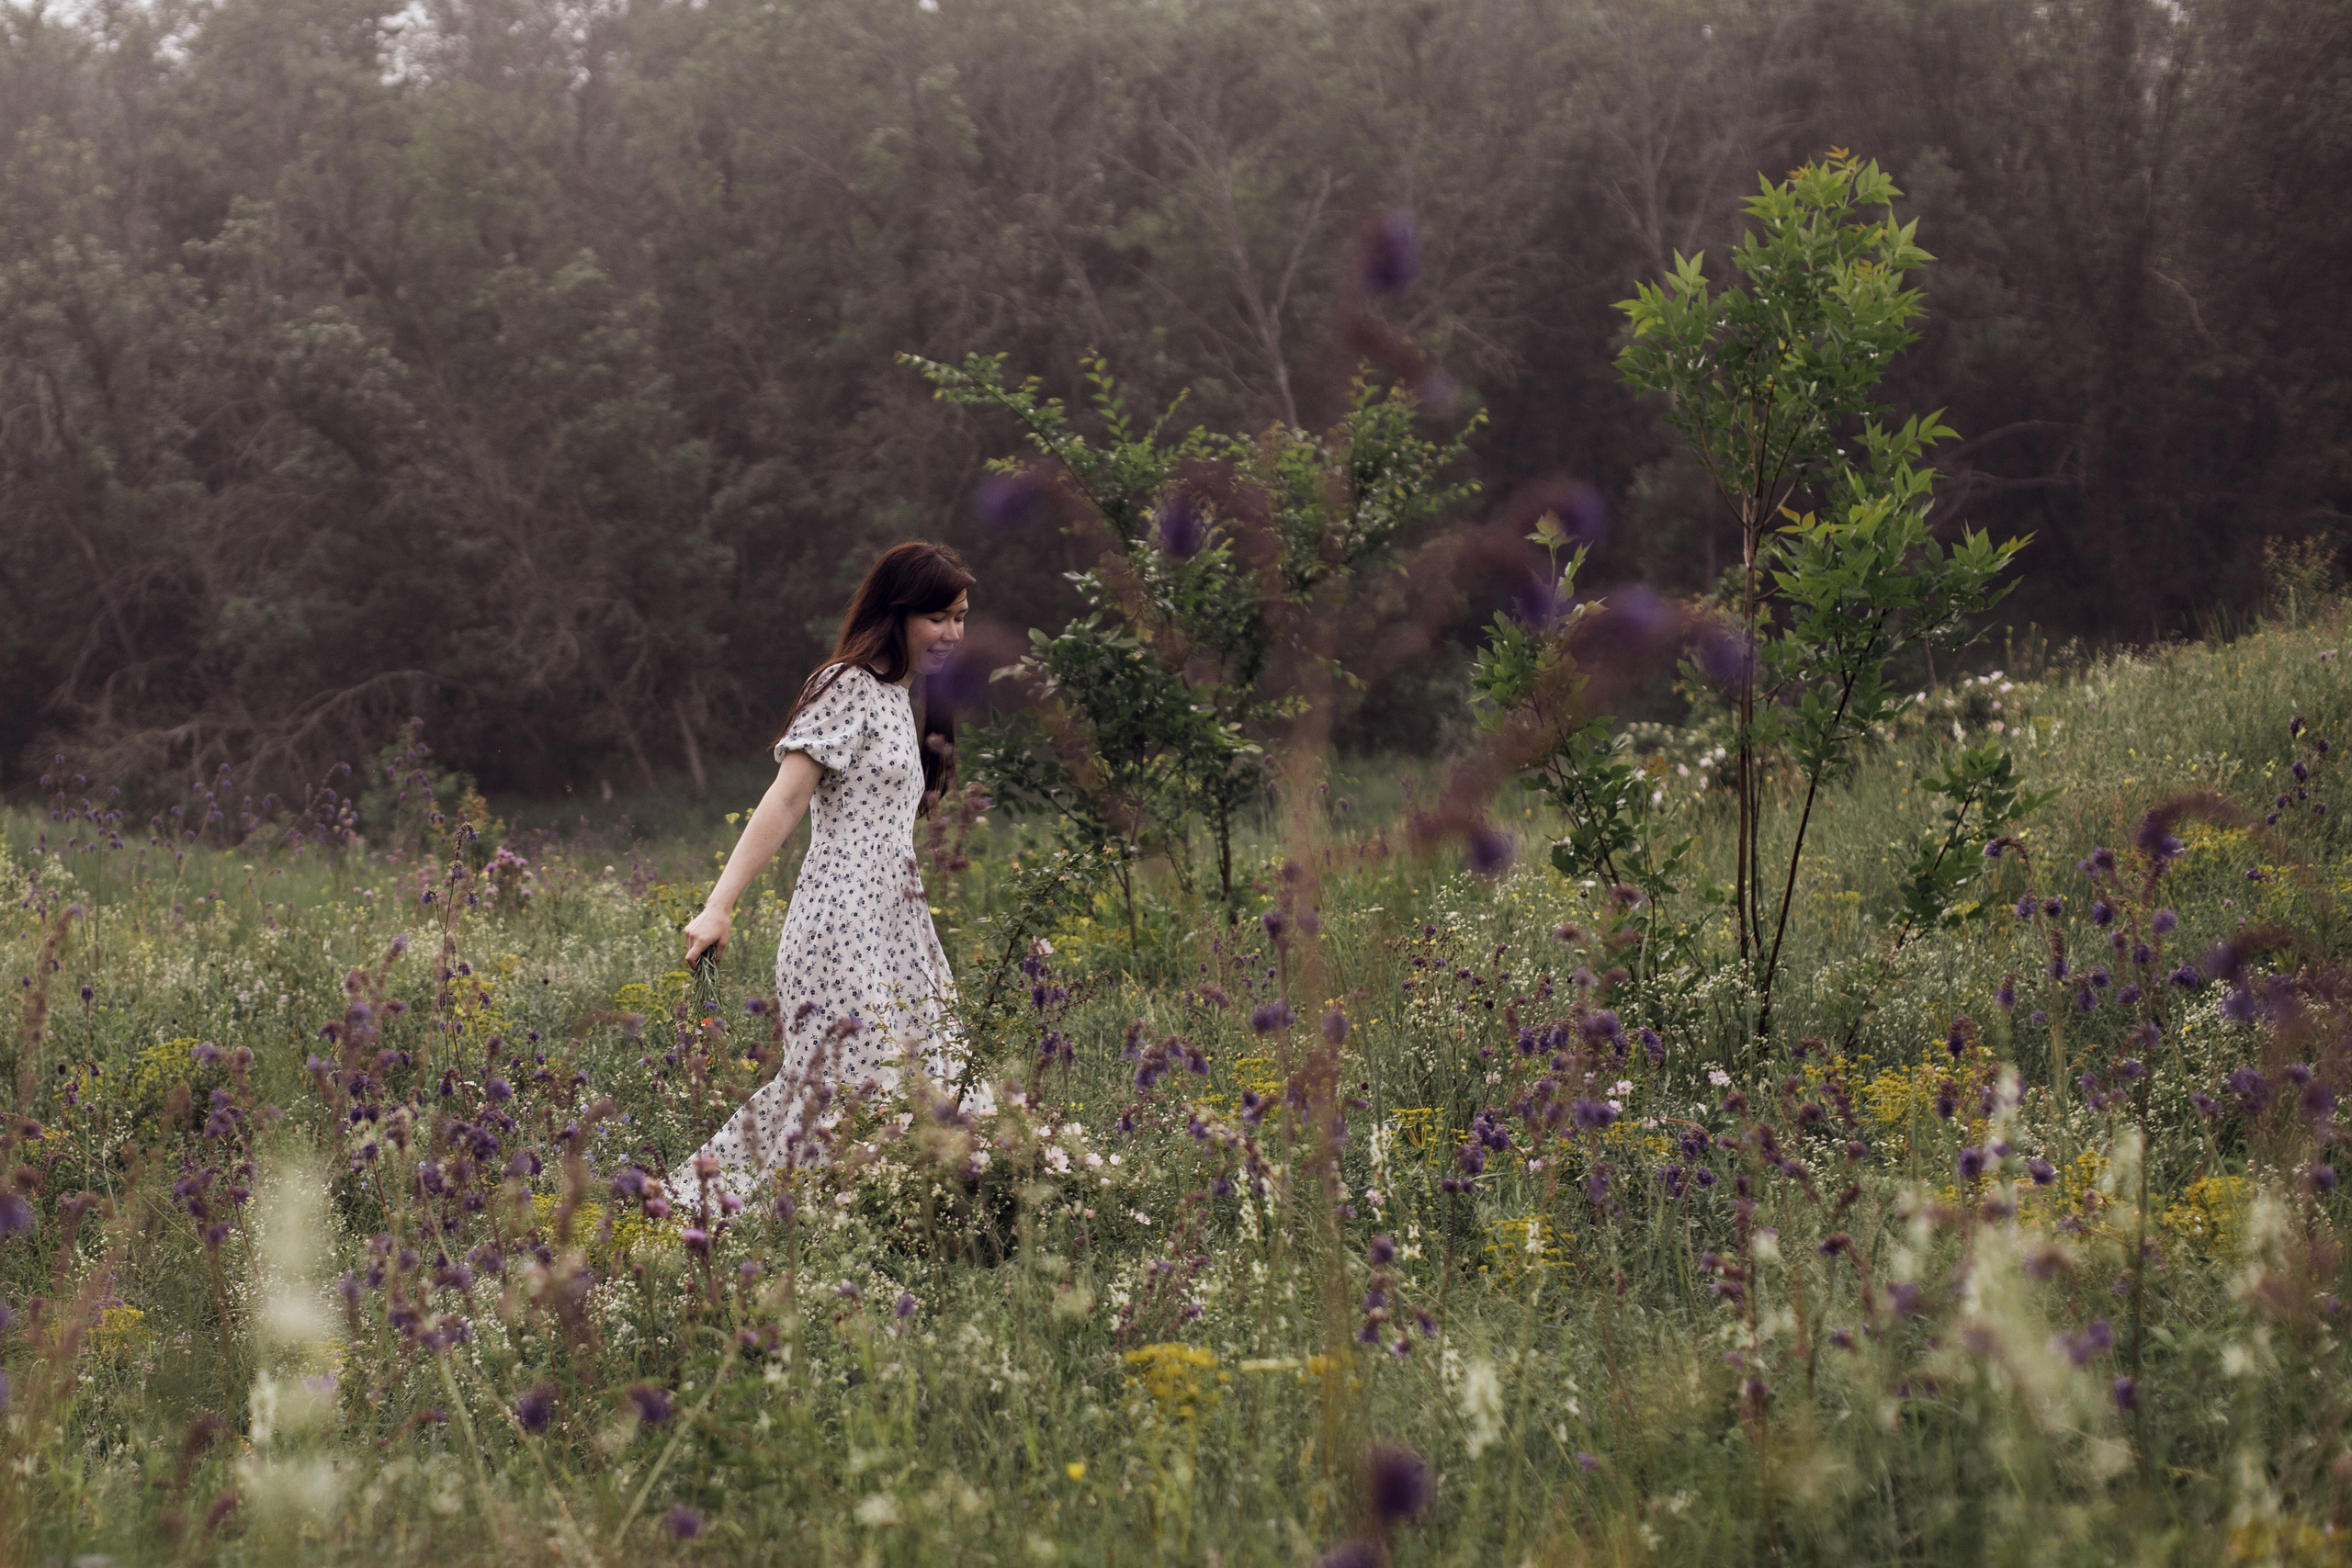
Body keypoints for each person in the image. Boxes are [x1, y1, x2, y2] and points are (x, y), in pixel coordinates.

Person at [669, 541, 980, 1203]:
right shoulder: (844, 685)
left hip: (897, 925)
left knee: (930, 1075)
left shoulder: (899, 699)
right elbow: (785, 800)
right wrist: (719, 906)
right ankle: (749, 1222)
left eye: (960, 616)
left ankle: (903, 1229)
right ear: (899, 613)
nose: (954, 632)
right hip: (840, 926)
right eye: (940, 617)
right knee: (844, 1092)